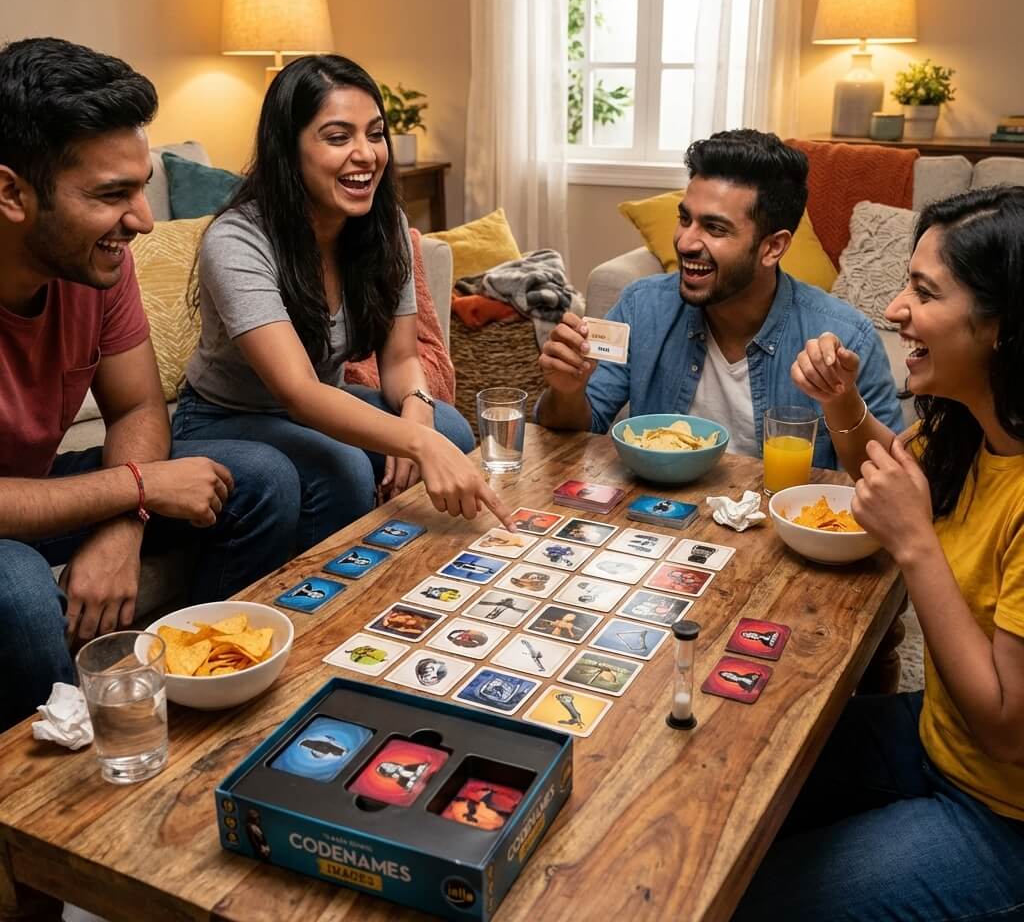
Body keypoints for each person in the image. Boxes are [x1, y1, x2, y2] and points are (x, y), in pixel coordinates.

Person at [735, 186, 1024, 920]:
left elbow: (1008, 728)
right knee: (738, 761)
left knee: (748, 897)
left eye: (924, 292)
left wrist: (917, 544)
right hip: (936, 737)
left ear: (1003, 327)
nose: (894, 310)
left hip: (1004, 818)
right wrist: (842, 404)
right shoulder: (970, 426)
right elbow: (887, 475)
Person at [0, 38, 302, 732]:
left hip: (39, 493)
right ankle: (50, 791)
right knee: (13, 582)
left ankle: (200, 691)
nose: (142, 220)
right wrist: (134, 490)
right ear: (11, 191)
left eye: (141, 186)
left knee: (259, 476)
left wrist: (120, 525)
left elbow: (136, 404)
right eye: (113, 195)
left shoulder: (92, 265)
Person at [171, 54, 512, 547]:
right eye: (338, 137)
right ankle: (317, 605)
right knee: (347, 468)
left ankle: (395, 574)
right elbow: (300, 393)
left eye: (375, 135)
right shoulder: (236, 240)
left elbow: (400, 356)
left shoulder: (386, 226)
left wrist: (417, 412)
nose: (366, 154)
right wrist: (416, 442)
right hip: (224, 416)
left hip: (320, 405)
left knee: (451, 430)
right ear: (288, 149)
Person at [536, 129, 903, 467]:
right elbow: (575, 429)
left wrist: (841, 401)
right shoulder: (640, 308)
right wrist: (567, 391)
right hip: (659, 522)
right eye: (685, 219)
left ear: (773, 247)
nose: (685, 242)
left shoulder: (847, 338)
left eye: (714, 228)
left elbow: (888, 478)